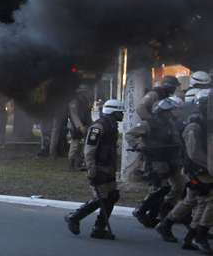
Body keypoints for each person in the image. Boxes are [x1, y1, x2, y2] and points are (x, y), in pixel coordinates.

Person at [156, 91, 213, 254]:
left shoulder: (206, 122)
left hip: (203, 167)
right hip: (198, 169)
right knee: (208, 200)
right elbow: (194, 153)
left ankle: (185, 233)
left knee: (194, 200)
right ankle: (198, 235)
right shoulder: (194, 125)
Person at [64, 100, 124, 240]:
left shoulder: (111, 125)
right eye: (120, 112)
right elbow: (89, 150)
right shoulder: (98, 127)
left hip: (108, 167)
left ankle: (99, 228)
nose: (122, 115)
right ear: (112, 112)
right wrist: (91, 169)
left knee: (112, 196)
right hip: (99, 167)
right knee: (101, 198)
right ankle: (74, 217)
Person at [131, 98, 184, 228]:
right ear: (163, 111)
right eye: (170, 111)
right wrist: (138, 145)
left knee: (178, 187)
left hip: (172, 159)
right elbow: (130, 134)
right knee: (159, 188)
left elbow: (176, 140)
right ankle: (145, 211)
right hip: (156, 159)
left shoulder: (170, 123)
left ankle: (164, 210)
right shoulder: (149, 124)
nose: (173, 113)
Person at [67, 85, 93, 171]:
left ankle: (80, 162)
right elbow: (74, 115)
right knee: (75, 145)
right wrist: (80, 126)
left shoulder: (86, 100)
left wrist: (90, 124)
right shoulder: (74, 101)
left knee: (85, 145)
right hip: (76, 126)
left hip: (85, 124)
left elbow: (88, 114)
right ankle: (71, 164)